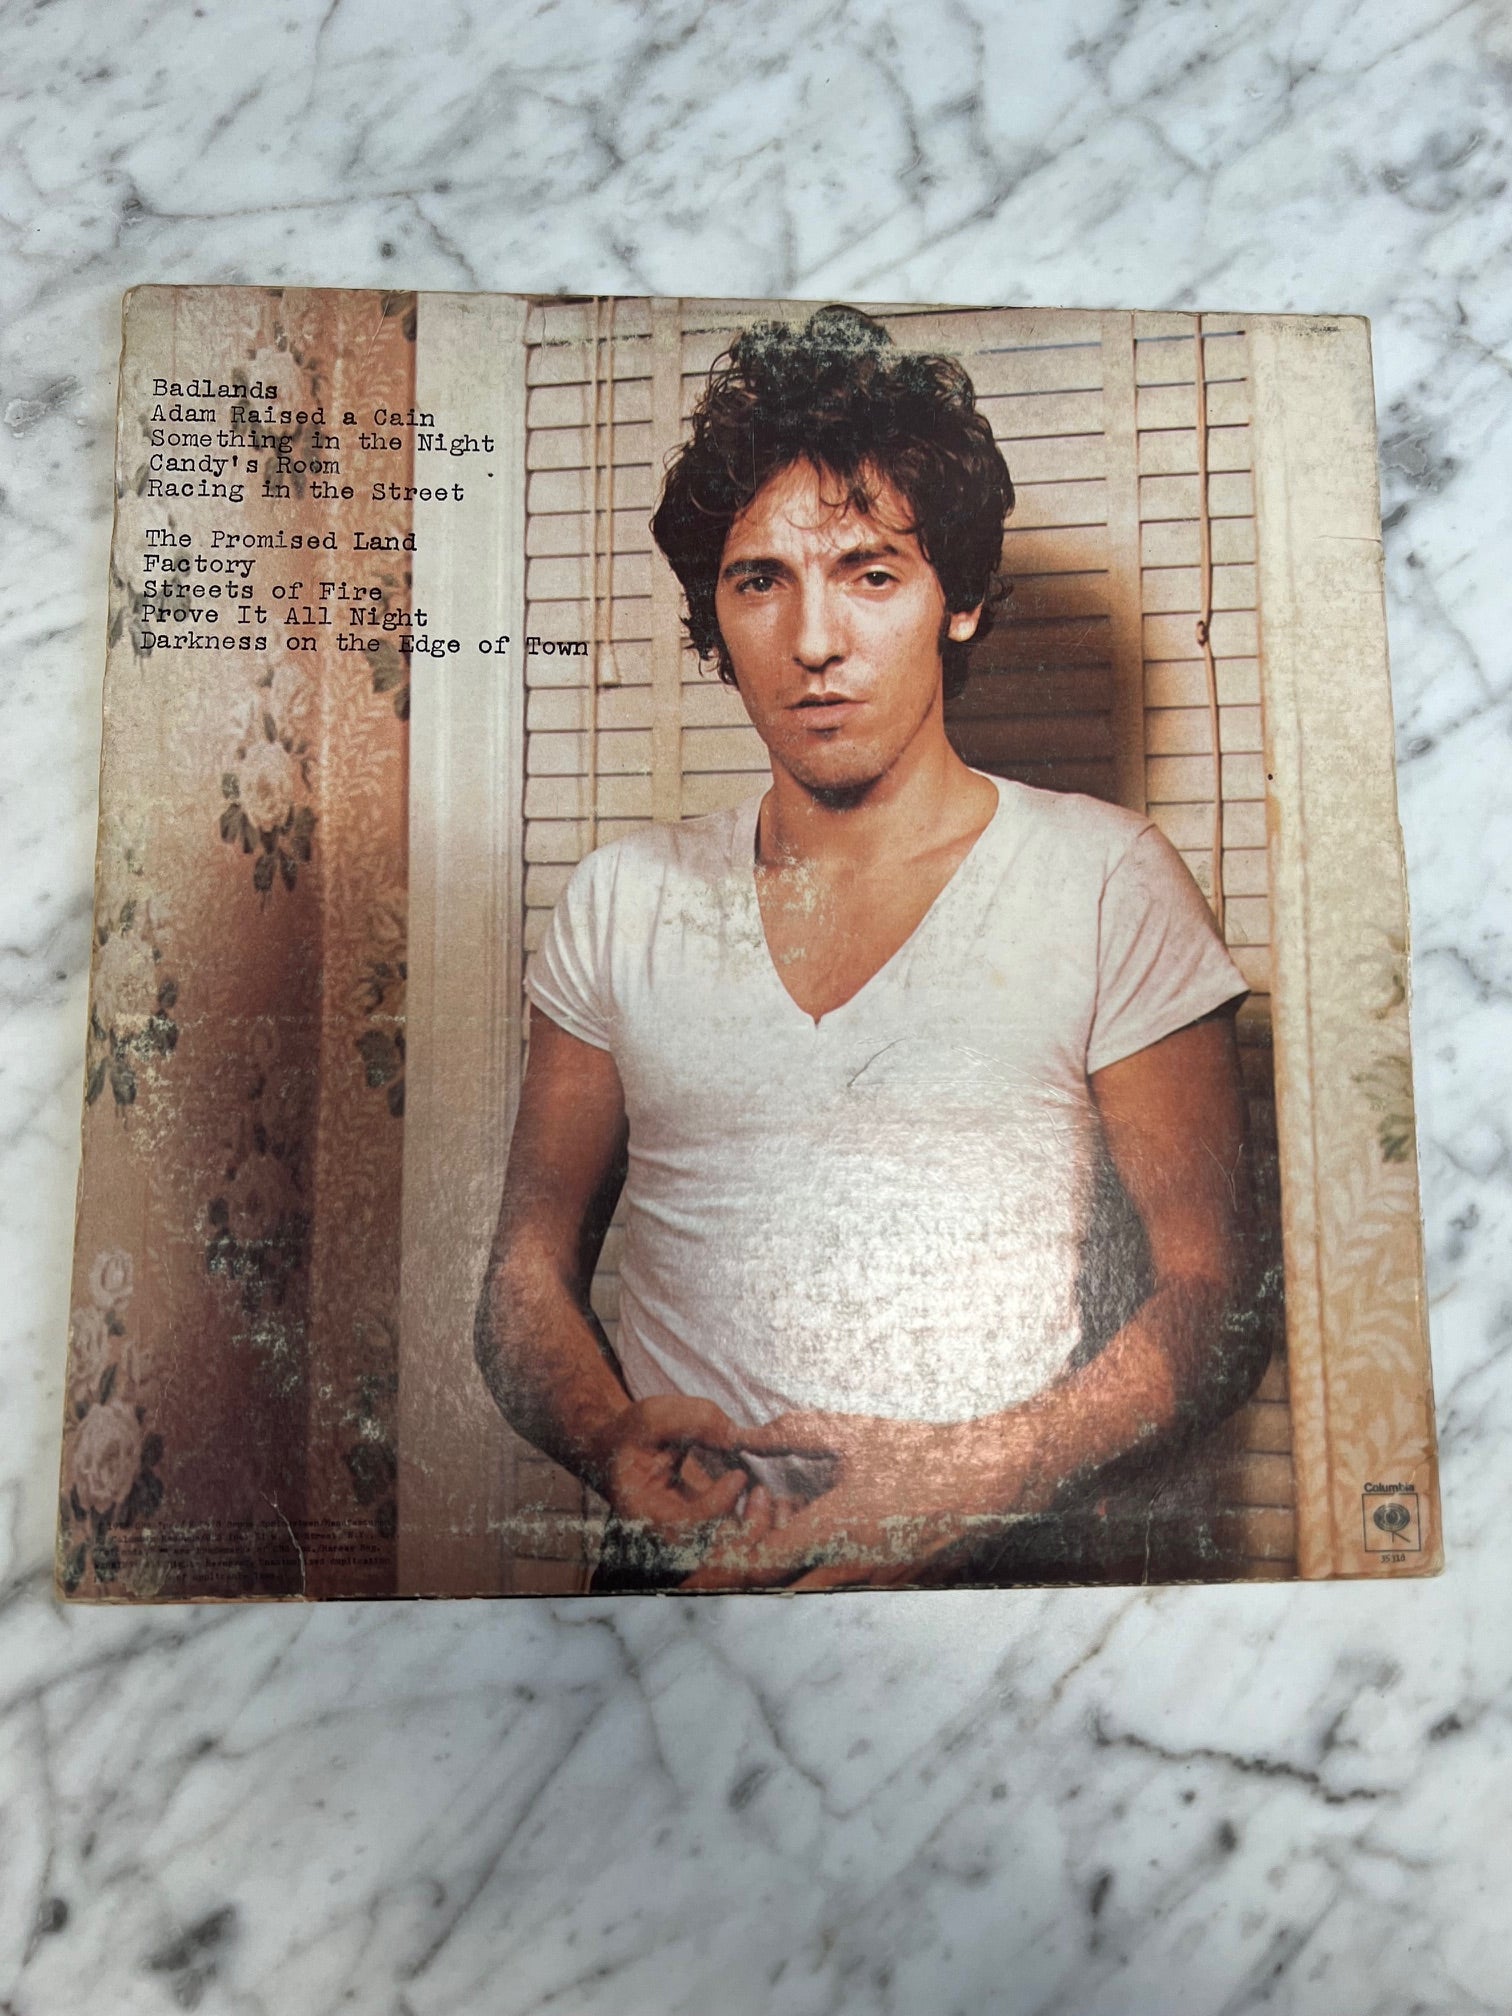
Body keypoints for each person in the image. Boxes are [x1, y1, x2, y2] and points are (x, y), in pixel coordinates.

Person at [475, 304, 1266, 1592]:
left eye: (871, 574)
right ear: (715, 616)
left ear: (960, 601)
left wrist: (974, 1477)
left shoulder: (1103, 878)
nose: (814, 642)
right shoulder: (624, 899)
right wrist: (608, 1440)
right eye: (760, 581)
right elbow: (522, 1277)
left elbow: (1213, 1299)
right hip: (678, 1585)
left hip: (980, 1588)